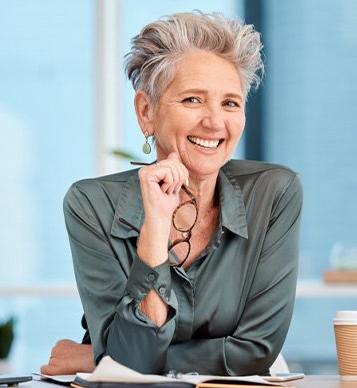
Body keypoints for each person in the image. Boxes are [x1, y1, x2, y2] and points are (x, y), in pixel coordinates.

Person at [41, 11, 303, 376]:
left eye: (230, 103)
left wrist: (99, 358)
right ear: (146, 112)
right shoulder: (91, 206)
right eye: (193, 100)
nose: (214, 121)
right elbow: (134, 360)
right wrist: (155, 229)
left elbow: (256, 350)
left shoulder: (275, 193)